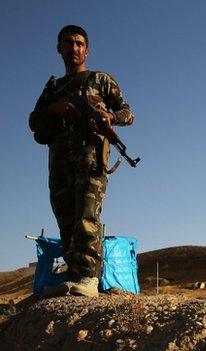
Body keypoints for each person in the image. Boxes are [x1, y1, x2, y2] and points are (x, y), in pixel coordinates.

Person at [29, 25, 134, 297]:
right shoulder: (53, 88)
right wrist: (55, 108)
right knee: (65, 215)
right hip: (59, 160)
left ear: (86, 49)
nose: (74, 48)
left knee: (87, 213)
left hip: (90, 154)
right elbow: (34, 121)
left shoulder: (100, 80)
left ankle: (88, 277)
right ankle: (73, 274)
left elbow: (128, 113)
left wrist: (110, 118)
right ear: (59, 48)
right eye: (68, 43)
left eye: (79, 43)